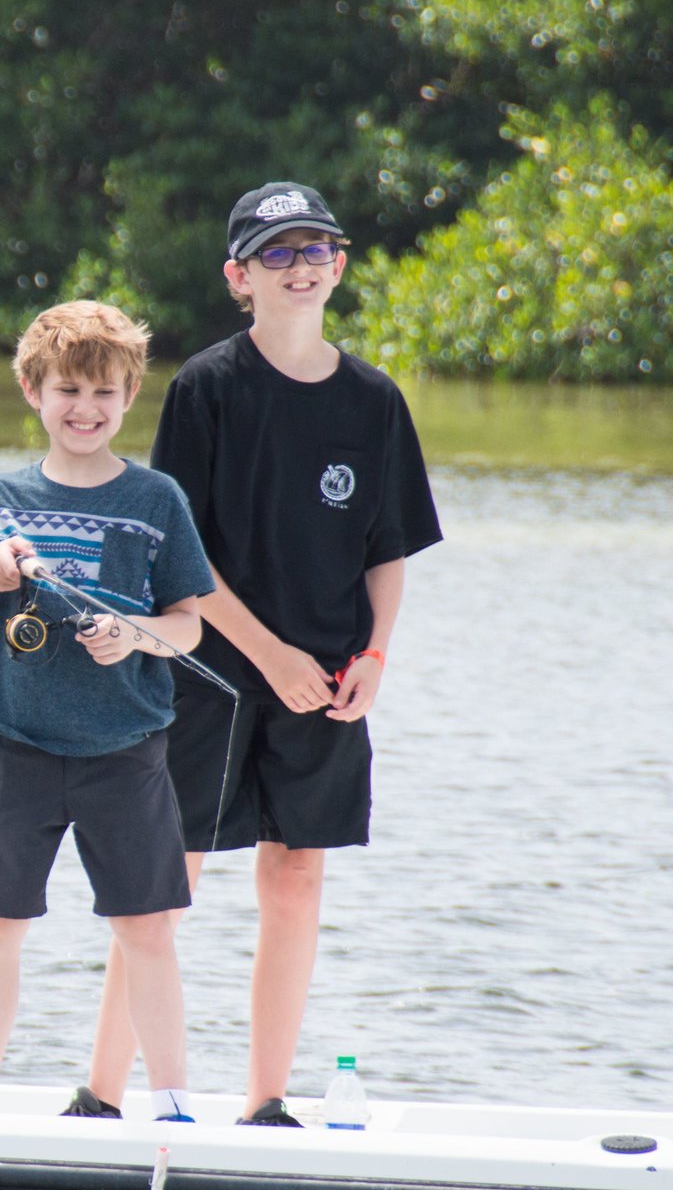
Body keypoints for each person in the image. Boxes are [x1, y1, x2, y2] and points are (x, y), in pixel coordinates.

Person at [85, 182, 441, 1124]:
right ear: (239, 276)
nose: (300, 266)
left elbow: (389, 549)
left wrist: (373, 655)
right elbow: (182, 559)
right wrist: (270, 654)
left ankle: (266, 1100)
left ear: (343, 263)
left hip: (324, 681)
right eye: (276, 253)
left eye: (315, 248)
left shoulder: (374, 400)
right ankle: (102, 1093)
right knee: (171, 878)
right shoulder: (208, 388)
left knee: (296, 876)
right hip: (210, 669)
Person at [0, 301, 212, 1122]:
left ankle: (171, 1106)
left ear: (130, 396)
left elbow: (188, 628)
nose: (84, 408)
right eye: (67, 389)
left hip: (126, 753)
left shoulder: (158, 499)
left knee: (147, 932)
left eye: (103, 392)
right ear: (31, 390)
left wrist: (131, 634)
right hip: (15, 749)